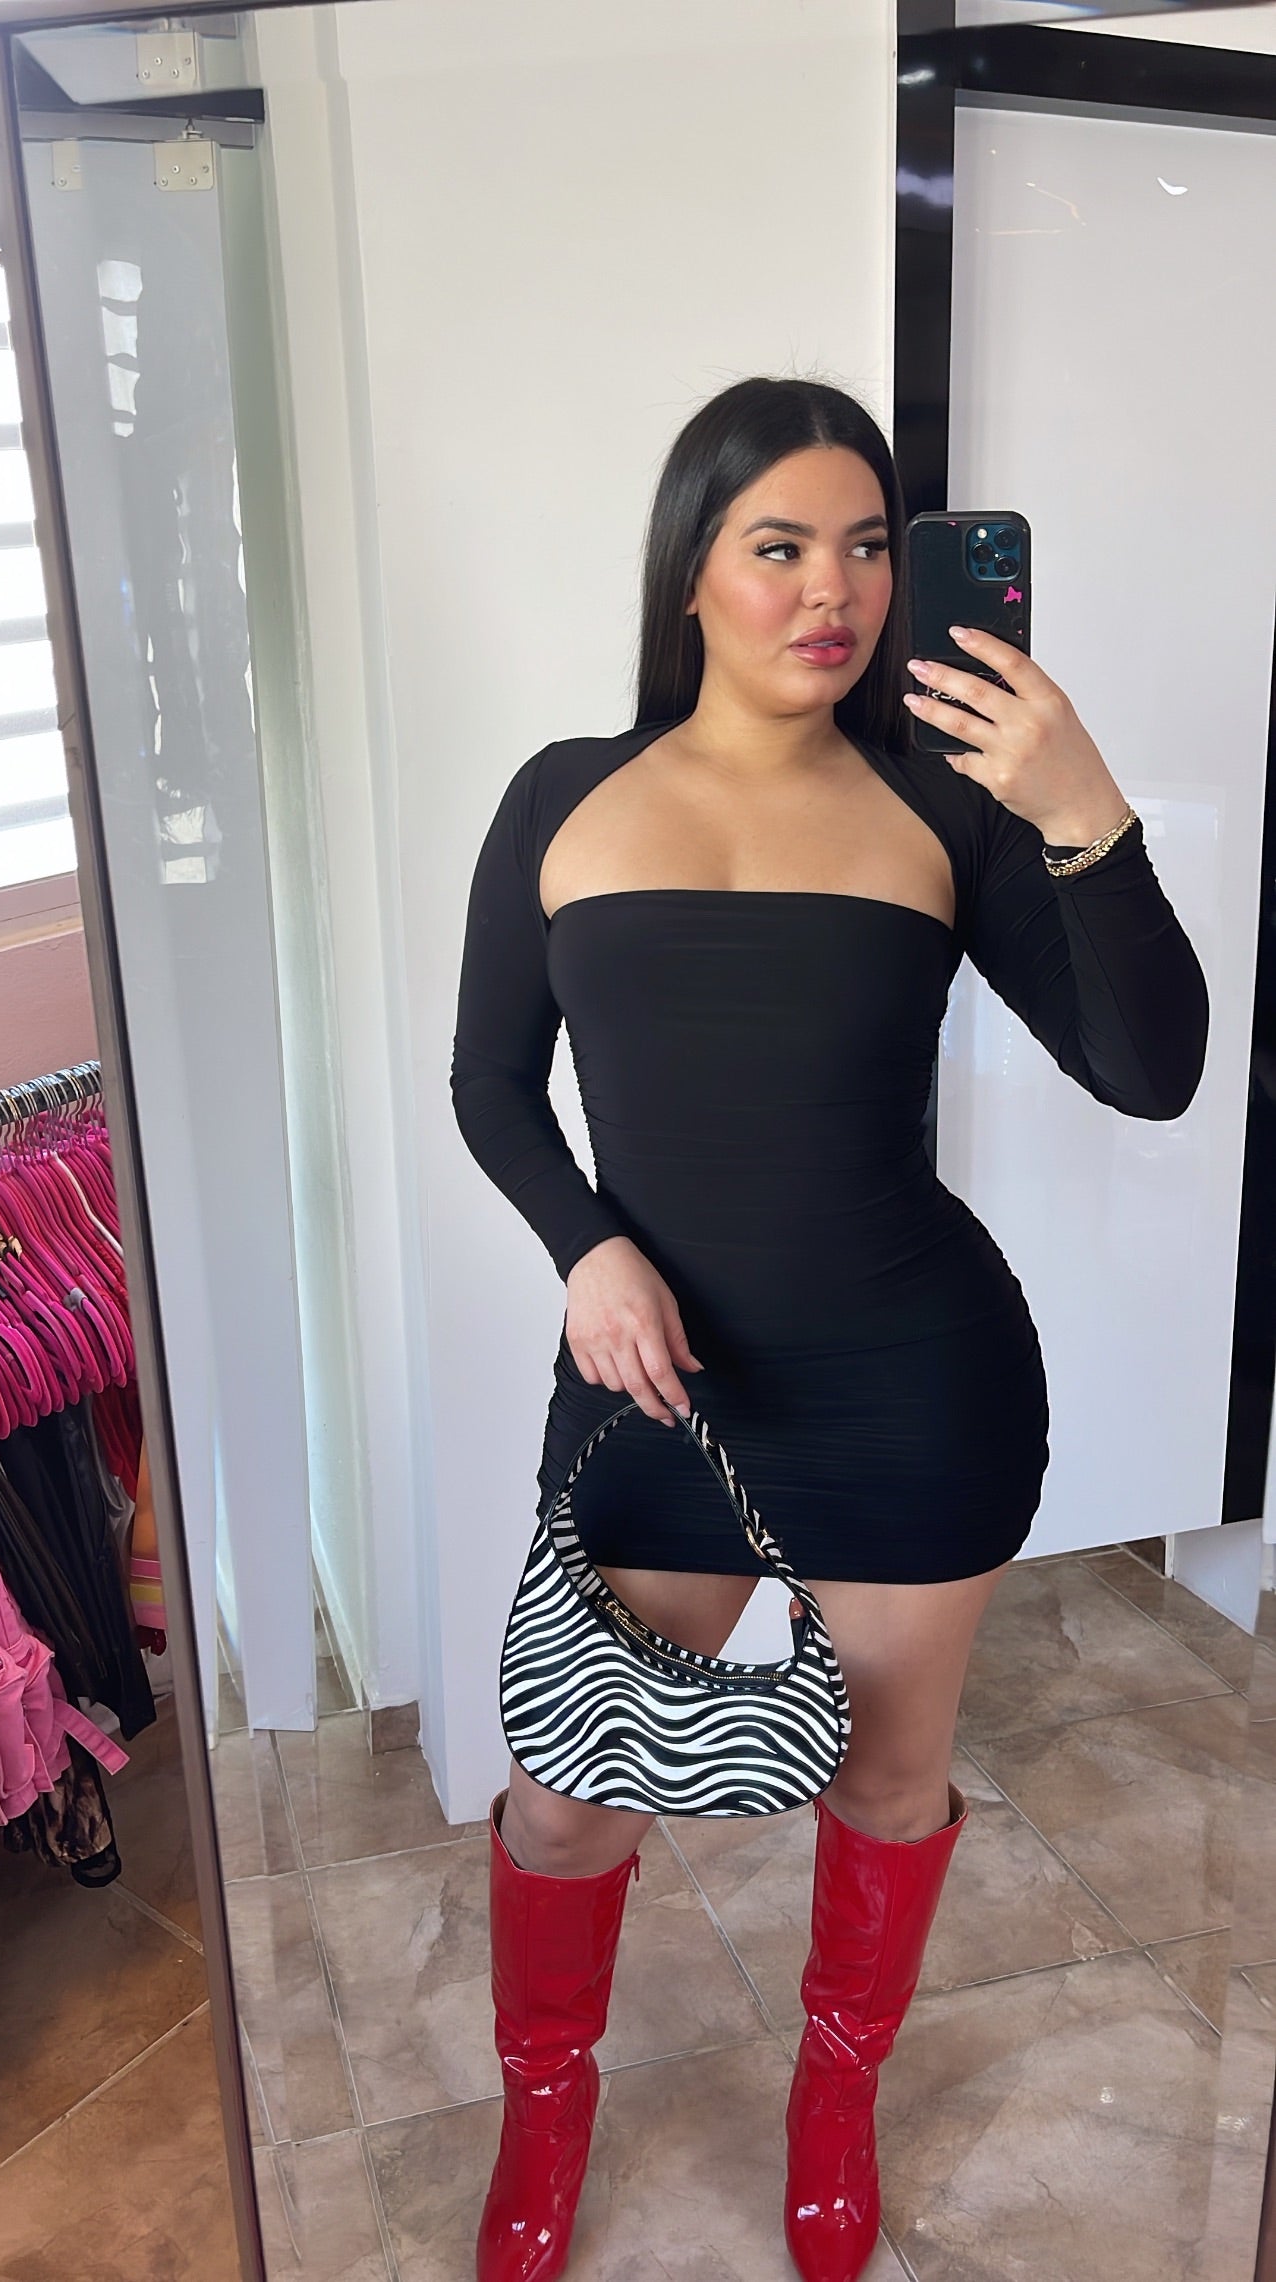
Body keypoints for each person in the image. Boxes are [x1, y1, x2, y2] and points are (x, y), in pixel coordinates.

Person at [449, 375, 1208, 2282]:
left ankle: (834, 2101)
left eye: (869, 546)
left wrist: (1083, 807)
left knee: (881, 1774)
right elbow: (489, 1085)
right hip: (653, 1393)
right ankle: (545, 2110)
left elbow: (1155, 1069)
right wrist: (585, 1249)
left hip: (909, 1390)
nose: (836, 590)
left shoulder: (947, 804)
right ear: (690, 572)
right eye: (779, 543)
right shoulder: (561, 796)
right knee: (565, 1799)